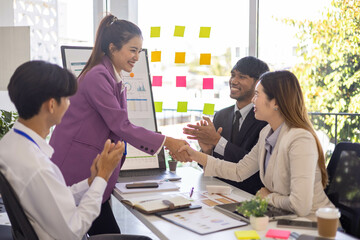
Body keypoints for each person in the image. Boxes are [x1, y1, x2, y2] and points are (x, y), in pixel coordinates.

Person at [49, 14, 189, 235]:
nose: (137, 57)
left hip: (89, 168)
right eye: (132, 50)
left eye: (139, 51)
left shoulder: (108, 75)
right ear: (113, 48)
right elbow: (121, 125)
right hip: (75, 168)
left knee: (103, 231)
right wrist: (167, 141)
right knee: (104, 232)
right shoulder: (98, 77)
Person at [178, 70, 334, 218]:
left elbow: (300, 205)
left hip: (313, 224)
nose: (253, 99)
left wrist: (268, 197)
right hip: (282, 217)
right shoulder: (267, 132)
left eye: (257, 94)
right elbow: (239, 171)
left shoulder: (300, 139)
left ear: (276, 102)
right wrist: (195, 155)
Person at [0, 60, 126, 239]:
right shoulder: (38, 167)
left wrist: (90, 182)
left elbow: (55, 199)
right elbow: (73, 231)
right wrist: (102, 177)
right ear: (51, 105)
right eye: (67, 99)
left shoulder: (12, 143)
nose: (69, 105)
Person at [183, 56, 269, 195]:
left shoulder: (264, 120)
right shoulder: (221, 115)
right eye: (233, 75)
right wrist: (207, 151)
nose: (233, 81)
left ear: (258, 83)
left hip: (247, 196)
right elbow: (208, 164)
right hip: (217, 192)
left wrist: (217, 141)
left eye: (241, 77)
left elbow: (250, 165)